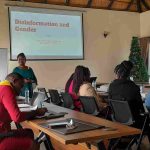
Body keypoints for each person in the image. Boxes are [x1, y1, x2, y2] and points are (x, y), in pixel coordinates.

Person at [0, 73, 47, 150]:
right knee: (33, 144)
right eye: (21, 86)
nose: (21, 89)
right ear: (14, 81)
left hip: (4, 132)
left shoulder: (2, 87)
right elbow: (17, 117)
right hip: (1, 136)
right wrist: (36, 112)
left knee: (28, 132)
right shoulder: (7, 89)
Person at [108, 60, 145, 127]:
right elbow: (141, 108)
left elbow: (110, 103)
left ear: (118, 73)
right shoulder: (134, 87)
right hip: (133, 122)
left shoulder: (112, 86)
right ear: (129, 74)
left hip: (116, 119)